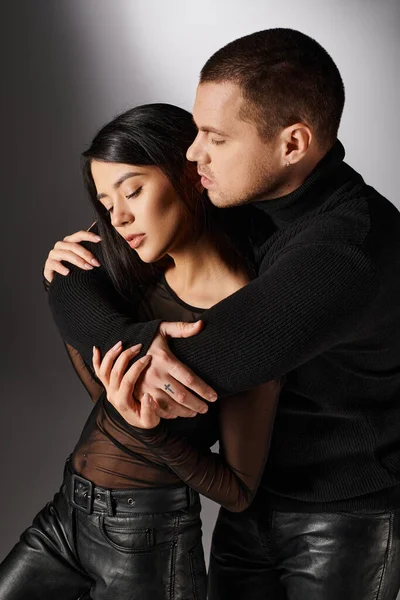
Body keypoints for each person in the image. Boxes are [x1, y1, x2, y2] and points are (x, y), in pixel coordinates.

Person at [43, 28, 400, 600]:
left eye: (214, 137)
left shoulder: (344, 253)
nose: (191, 154)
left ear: (292, 144)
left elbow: (186, 365)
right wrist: (76, 278)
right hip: (251, 511)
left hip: (338, 524)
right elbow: (87, 262)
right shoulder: (251, 200)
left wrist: (106, 323)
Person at [0, 103, 280, 600]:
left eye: (132, 191)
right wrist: (62, 282)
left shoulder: (245, 315)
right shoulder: (138, 270)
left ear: (191, 174)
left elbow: (238, 490)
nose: (119, 217)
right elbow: (104, 394)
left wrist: (153, 433)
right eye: (107, 203)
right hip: (68, 512)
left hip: (149, 540)